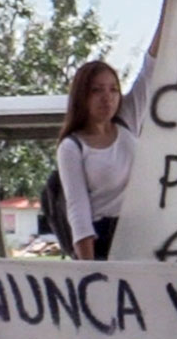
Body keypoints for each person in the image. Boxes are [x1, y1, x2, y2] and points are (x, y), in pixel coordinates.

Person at [56, 61, 135, 261]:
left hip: (140, 231)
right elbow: (78, 210)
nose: (107, 97)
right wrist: (89, 268)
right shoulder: (72, 147)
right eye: (96, 90)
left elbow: (150, 68)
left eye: (114, 89)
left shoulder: (127, 122)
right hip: (104, 239)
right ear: (82, 96)